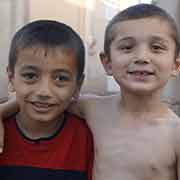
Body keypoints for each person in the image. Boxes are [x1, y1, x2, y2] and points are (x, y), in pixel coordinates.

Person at [0, 3, 180, 180]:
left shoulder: (175, 133)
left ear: (175, 65)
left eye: (156, 47)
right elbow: (49, 99)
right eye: (127, 47)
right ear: (107, 63)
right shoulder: (95, 109)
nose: (141, 57)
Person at [0, 20, 94, 180]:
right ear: (11, 78)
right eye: (30, 76)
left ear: (78, 85)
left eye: (60, 78)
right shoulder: (2, 133)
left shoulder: (88, 139)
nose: (44, 91)